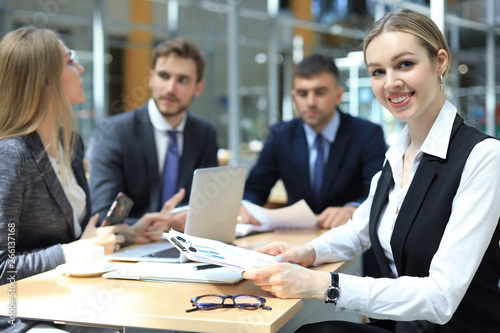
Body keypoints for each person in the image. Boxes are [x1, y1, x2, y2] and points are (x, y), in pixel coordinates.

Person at [243, 9, 500, 333]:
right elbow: (360, 229)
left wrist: (323, 284)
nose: (391, 82)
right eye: (378, 71)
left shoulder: (483, 157)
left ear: (440, 62)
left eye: (405, 64)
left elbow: (441, 297)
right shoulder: (398, 154)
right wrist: (306, 252)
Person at [0, 26, 183, 333]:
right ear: (45, 79)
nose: (80, 67)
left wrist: (130, 234)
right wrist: (75, 250)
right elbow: (3, 267)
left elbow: (81, 239)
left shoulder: (69, 143)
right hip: (22, 314)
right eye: (70, 61)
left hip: (70, 299)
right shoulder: (11, 155)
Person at [240, 54, 386, 229]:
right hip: (295, 239)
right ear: (294, 97)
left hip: (351, 238)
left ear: (338, 96)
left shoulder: (367, 134)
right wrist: (245, 206)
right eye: (302, 94)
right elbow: (256, 187)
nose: (310, 102)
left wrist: (352, 209)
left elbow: (379, 192)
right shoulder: (280, 135)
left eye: (320, 92)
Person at [88, 37, 218, 228]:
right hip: (129, 247)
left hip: (186, 244)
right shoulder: (114, 133)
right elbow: (102, 215)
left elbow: (210, 205)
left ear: (198, 87)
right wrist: (151, 227)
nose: (170, 88)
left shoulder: (204, 134)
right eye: (164, 76)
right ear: (151, 78)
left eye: (182, 80)